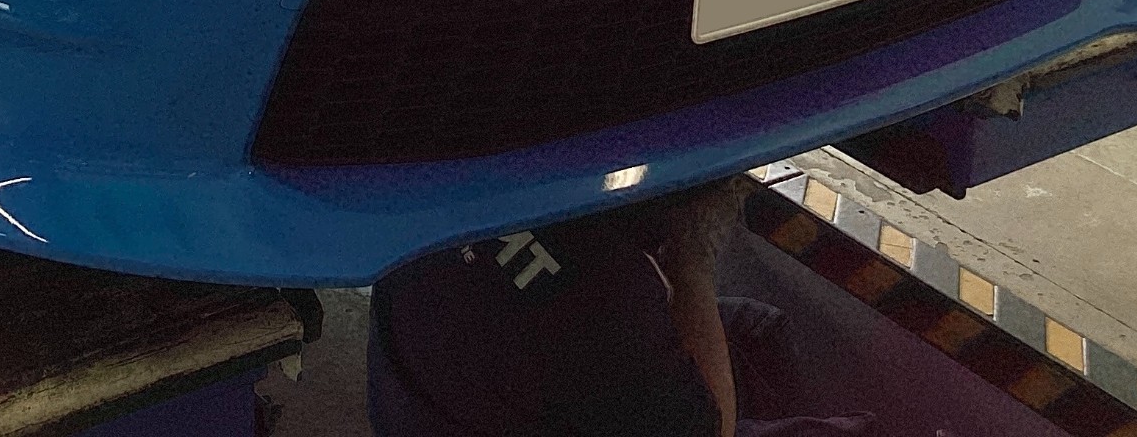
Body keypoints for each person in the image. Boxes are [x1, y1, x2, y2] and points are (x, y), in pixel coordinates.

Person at [368, 182, 870, 437]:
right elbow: (707, 429)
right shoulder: (607, 299)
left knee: (749, 326)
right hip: (528, 395)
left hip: (423, 404)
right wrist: (693, 259)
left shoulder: (464, 174)